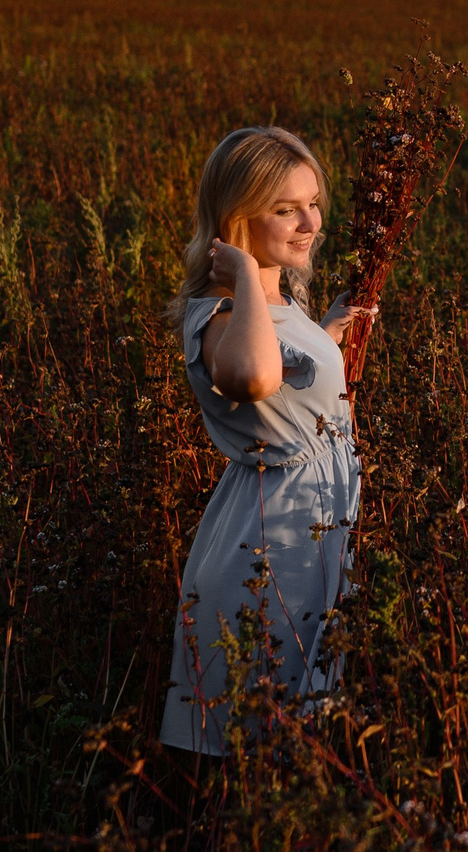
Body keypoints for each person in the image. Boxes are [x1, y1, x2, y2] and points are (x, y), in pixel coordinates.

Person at [160, 125, 374, 767]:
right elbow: (253, 377)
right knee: (265, 742)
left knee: (303, 735)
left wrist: (325, 335)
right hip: (272, 548)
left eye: (313, 202)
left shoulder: (278, 305)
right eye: (286, 209)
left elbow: (295, 397)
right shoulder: (222, 312)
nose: (310, 222)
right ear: (236, 219)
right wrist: (248, 278)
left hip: (312, 536)